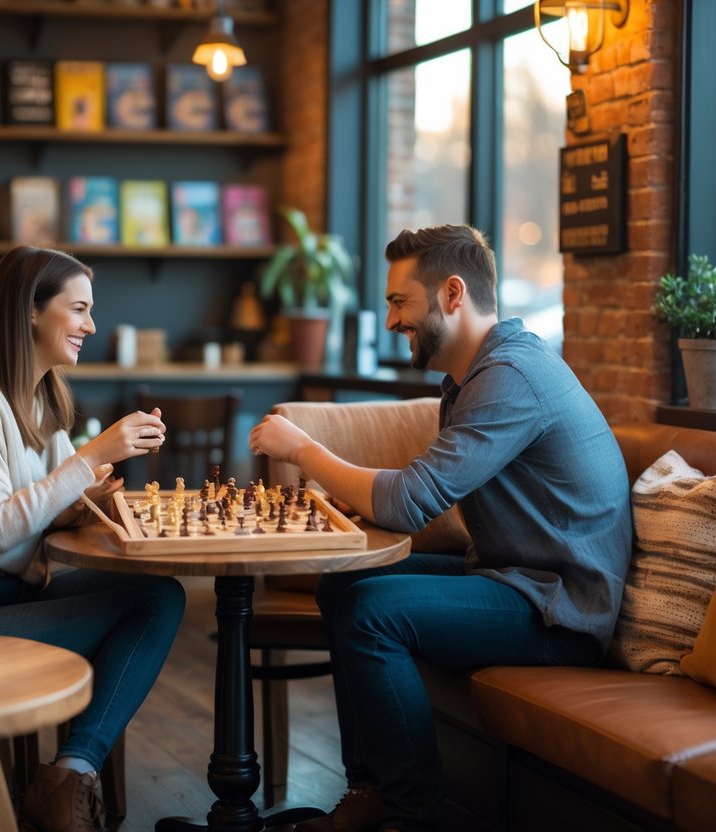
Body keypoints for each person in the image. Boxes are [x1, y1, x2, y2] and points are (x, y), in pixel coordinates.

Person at [248, 225, 632, 832]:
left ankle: (412, 816)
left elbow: (409, 503)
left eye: (401, 301)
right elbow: (427, 491)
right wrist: (360, 501)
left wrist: (304, 449)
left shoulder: (512, 377)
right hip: (513, 578)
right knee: (342, 583)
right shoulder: (470, 379)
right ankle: (367, 791)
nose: (392, 319)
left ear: (453, 294)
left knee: (374, 608)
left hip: (560, 609)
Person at [0, 244, 186, 832]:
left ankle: (71, 770)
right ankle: (69, 783)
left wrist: (87, 500)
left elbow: (43, 513)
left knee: (161, 595)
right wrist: (92, 455)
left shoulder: (44, 394)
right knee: (153, 601)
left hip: (14, 596)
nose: (91, 325)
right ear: (31, 309)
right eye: (78, 309)